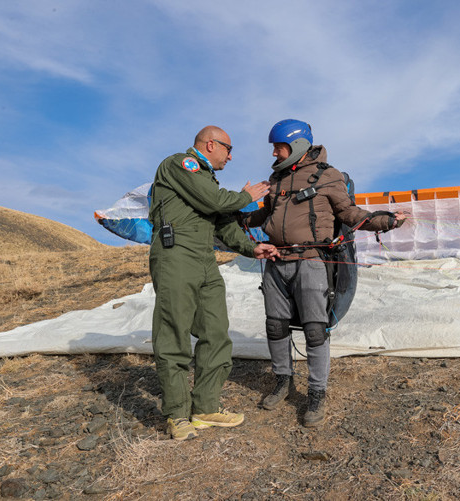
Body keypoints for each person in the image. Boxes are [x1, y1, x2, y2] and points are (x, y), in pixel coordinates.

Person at [238, 119, 406, 427]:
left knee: (315, 330)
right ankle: (282, 381)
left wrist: (385, 221)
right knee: (275, 326)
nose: (274, 153)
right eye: (274, 148)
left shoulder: (327, 176)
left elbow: (349, 214)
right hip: (276, 261)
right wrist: (238, 214)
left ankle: (316, 393)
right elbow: (264, 215)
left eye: (279, 147)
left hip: (312, 261)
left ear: (298, 146)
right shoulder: (275, 180)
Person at [149, 125, 279, 441]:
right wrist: (245, 196)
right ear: (210, 145)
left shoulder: (208, 181)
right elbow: (215, 201)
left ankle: (205, 407)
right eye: (228, 149)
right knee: (174, 334)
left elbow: (223, 223)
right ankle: (177, 415)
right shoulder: (180, 164)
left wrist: (252, 248)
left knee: (216, 332)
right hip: (175, 257)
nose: (231, 156)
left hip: (204, 261)